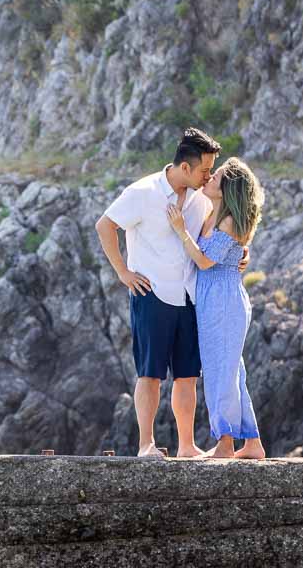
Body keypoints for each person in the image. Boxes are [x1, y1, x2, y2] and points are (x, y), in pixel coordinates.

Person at [96, 128, 229, 458]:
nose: (208, 176)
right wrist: (123, 272)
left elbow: (213, 239)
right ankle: (146, 445)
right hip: (151, 294)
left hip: (189, 295)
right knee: (150, 374)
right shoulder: (142, 192)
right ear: (185, 167)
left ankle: (186, 446)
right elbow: (105, 225)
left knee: (187, 376)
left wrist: (241, 256)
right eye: (204, 170)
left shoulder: (201, 200)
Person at [166, 156, 266, 459]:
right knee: (232, 371)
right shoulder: (212, 212)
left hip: (224, 300)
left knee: (221, 371)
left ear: (228, 189)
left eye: (217, 176)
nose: (209, 178)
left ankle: (224, 442)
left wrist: (181, 230)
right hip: (210, 300)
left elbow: (205, 261)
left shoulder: (230, 221)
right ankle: (253, 443)